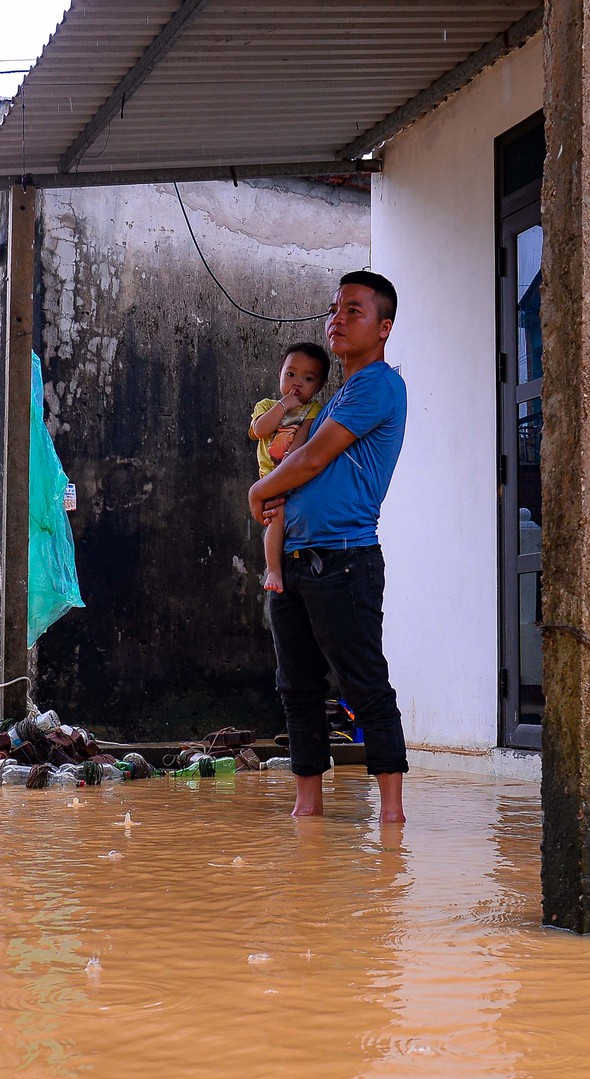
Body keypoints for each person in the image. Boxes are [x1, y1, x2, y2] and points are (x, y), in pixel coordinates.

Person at [248, 271, 408, 823]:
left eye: (354, 311)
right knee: (296, 688)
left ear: (384, 327)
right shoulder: (336, 394)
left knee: (364, 684)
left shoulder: (377, 385)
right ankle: (306, 809)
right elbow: (296, 455)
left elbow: (310, 460)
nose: (337, 319)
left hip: (344, 559)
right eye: (334, 309)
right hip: (295, 559)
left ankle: (392, 818)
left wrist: (259, 489)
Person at [249, 342, 333, 594]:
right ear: (280, 374)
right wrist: (284, 405)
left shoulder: (314, 410)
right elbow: (260, 430)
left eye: (307, 378)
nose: (297, 383)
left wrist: (288, 468)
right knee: (276, 518)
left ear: (318, 387)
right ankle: (273, 569)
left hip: (293, 475)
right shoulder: (265, 406)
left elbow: (301, 443)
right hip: (269, 480)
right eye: (290, 374)